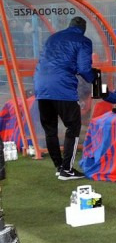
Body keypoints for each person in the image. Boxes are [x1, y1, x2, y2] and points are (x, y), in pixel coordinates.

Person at [33, 16, 96, 180]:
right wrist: (94, 79)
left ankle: (59, 166)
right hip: (62, 87)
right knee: (73, 126)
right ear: (83, 29)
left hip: (41, 85)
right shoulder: (83, 41)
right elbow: (84, 68)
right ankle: (67, 170)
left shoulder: (52, 38)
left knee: (50, 129)